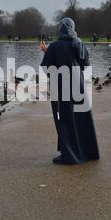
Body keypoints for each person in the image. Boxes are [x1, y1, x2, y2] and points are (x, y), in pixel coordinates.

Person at [39, 18, 100, 165]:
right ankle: (88, 152)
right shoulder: (79, 43)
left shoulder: (55, 46)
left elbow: (46, 67)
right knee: (81, 119)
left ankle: (69, 155)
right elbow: (85, 65)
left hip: (61, 87)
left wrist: (47, 53)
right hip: (78, 86)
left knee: (64, 120)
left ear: (60, 29)